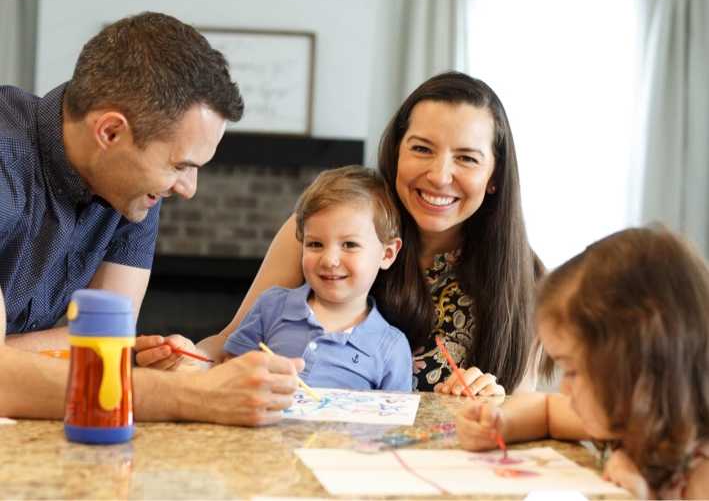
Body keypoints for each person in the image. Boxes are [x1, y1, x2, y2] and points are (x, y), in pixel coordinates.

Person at [138, 71, 540, 396]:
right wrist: (191, 356)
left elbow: (523, 409)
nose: (439, 175)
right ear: (396, 151)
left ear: (494, 177)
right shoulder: (322, 228)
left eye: (467, 158)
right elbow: (230, 344)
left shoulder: (527, 278)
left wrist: (494, 397)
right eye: (421, 149)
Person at [0, 11, 302, 425]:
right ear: (109, 132)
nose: (188, 188)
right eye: (180, 165)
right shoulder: (5, 156)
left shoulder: (131, 187)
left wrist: (15, 360)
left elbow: (106, 338)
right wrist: (188, 395)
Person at [454, 226, 709, 499]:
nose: (564, 388)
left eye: (573, 371)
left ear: (637, 372)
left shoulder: (699, 473)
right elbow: (547, 410)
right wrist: (501, 424)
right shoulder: (634, 419)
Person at [221, 166, 412, 391]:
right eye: (315, 244)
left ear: (387, 254)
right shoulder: (271, 306)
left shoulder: (391, 347)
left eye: (349, 245)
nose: (329, 260)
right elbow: (230, 369)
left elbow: (396, 422)